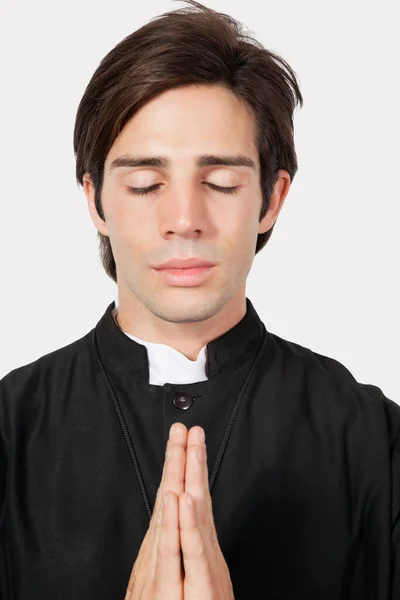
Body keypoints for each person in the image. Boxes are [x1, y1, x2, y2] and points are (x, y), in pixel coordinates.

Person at [0, 0, 399, 598]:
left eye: (220, 183)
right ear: (95, 201)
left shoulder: (370, 439)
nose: (184, 219)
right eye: (144, 184)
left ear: (271, 200)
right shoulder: (10, 430)